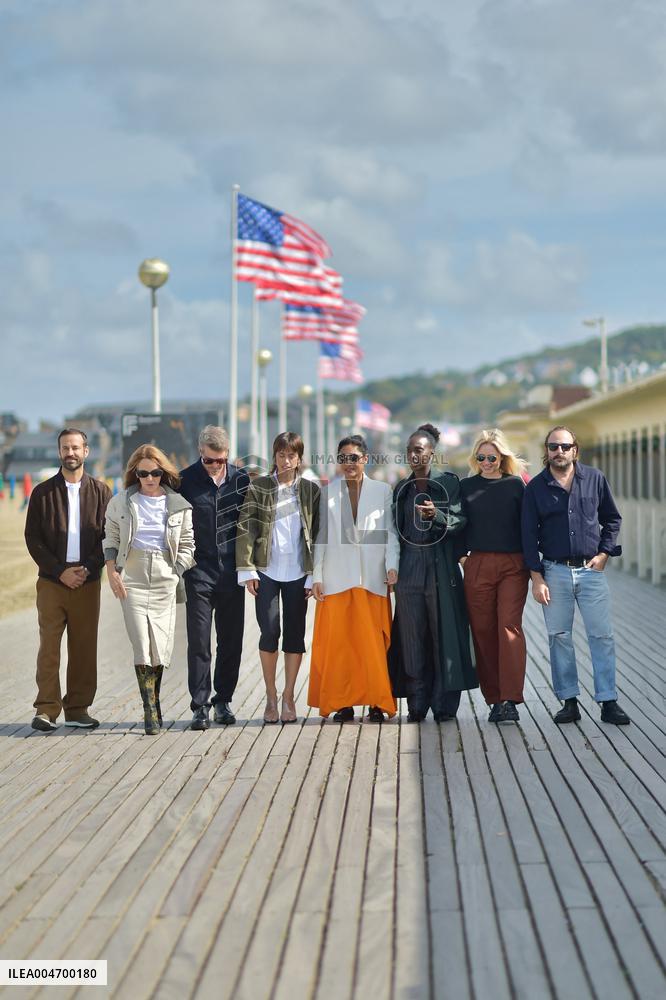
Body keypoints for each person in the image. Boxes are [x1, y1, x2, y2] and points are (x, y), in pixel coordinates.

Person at [521, 425, 630, 725]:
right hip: (554, 571)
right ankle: (569, 702)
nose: (559, 451)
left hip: (591, 572)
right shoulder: (536, 488)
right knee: (559, 637)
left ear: (575, 450)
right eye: (553, 446)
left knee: (602, 636)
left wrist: (604, 554)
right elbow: (528, 535)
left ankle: (608, 701)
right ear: (546, 451)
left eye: (565, 446)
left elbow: (612, 519)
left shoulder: (595, 479)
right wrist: (536, 577)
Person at [103, 445, 195, 735]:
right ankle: (149, 710)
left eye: (155, 473)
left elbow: (188, 543)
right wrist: (112, 572)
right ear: (135, 474)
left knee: (160, 646)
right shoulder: (120, 502)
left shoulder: (179, 504)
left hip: (165, 576)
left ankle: (154, 700)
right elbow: (110, 538)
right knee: (141, 644)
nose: (150, 479)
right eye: (143, 474)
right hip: (132, 575)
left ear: (163, 472)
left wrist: (176, 572)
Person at [388, 424, 477, 722]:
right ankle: (417, 703)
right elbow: (394, 531)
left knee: (444, 637)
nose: (413, 455)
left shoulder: (449, 484)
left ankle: (443, 705)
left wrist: (437, 515)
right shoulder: (402, 488)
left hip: (441, 568)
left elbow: (460, 521)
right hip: (409, 567)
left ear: (432, 453)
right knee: (412, 637)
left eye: (419, 449)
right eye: (409, 450)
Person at [24, 428, 111, 731]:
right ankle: (46, 709)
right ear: (59, 451)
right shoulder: (42, 493)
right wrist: (59, 570)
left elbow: (107, 537)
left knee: (84, 647)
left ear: (86, 451)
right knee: (49, 647)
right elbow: (32, 538)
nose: (70, 452)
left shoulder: (102, 492)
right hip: (52, 582)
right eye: (65, 448)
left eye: (75, 447)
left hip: (87, 581)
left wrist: (87, 568)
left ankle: (77, 709)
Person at [308, 434, 399, 722]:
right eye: (344, 458)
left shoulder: (383, 491)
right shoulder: (327, 493)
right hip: (336, 579)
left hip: (372, 578)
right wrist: (317, 576)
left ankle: (377, 703)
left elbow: (390, 533)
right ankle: (342, 703)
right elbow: (320, 537)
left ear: (365, 459)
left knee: (374, 645)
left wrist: (392, 566)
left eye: (355, 458)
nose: (349, 463)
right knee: (340, 647)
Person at [236, 432, 320, 723]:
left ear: (299, 458)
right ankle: (271, 694)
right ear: (274, 456)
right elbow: (246, 527)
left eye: (291, 455)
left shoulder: (310, 490)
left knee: (295, 635)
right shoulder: (259, 487)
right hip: (266, 571)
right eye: (281, 455)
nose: (286, 461)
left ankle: (288, 695)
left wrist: (313, 575)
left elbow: (318, 533)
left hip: (298, 572)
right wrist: (247, 570)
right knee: (270, 631)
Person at [179, 426, 250, 730]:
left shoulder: (242, 480)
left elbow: (251, 524)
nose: (215, 466)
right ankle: (200, 706)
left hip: (232, 573)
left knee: (231, 640)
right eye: (209, 460)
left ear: (227, 455)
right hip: (199, 572)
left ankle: (223, 701)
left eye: (220, 460)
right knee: (199, 641)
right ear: (200, 453)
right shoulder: (184, 481)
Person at [458, 429, 530, 723]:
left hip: (513, 565)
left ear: (502, 457)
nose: (487, 462)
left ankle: (511, 699)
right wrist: (463, 558)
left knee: (509, 627)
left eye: (492, 457)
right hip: (478, 564)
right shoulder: (465, 486)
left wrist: (534, 567)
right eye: (481, 457)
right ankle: (495, 700)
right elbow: (457, 524)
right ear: (475, 458)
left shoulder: (515, 485)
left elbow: (527, 526)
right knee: (483, 631)